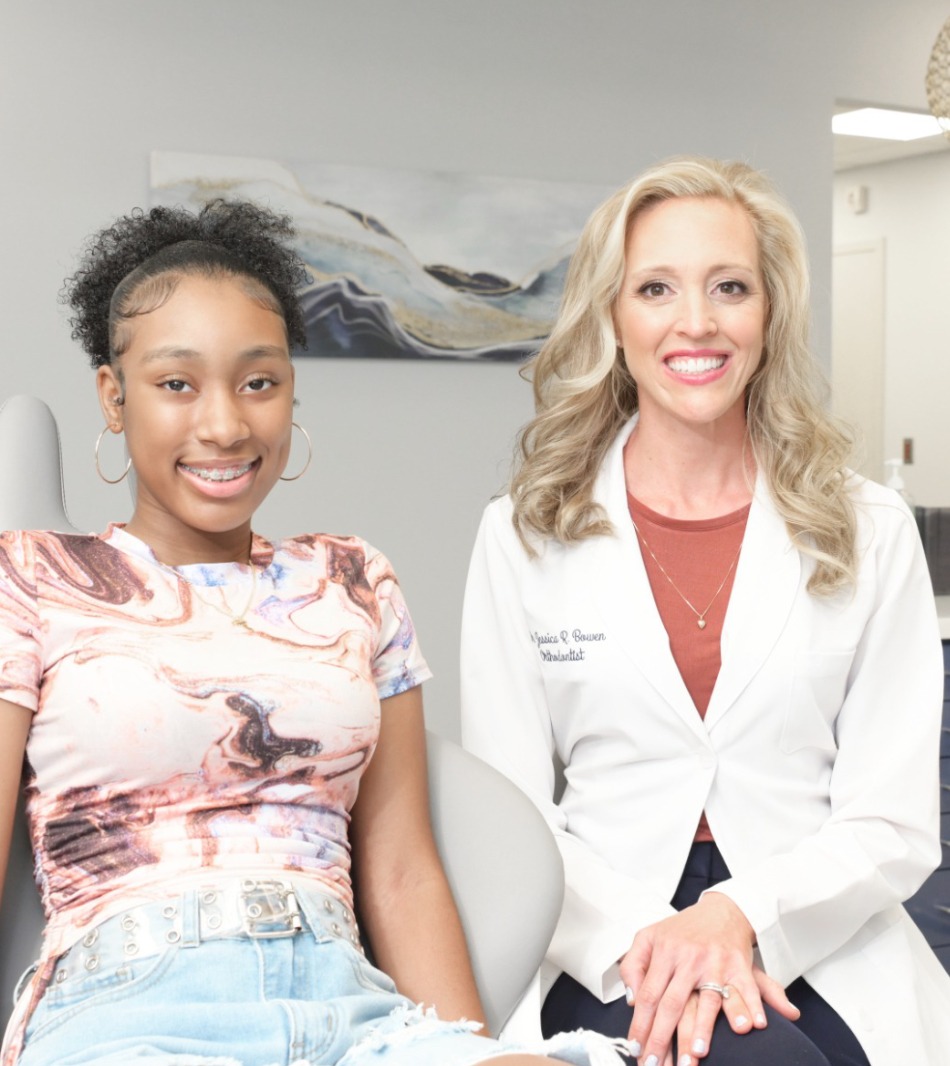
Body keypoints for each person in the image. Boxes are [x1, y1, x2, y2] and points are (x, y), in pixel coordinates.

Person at [0, 200, 630, 1066]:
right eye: (176, 384)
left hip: (349, 1014)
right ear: (114, 397)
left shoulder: (352, 580)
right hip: (128, 1021)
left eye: (259, 381)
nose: (224, 424)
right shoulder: (30, 579)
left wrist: (469, 1055)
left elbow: (403, 872)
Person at [460, 157, 950, 1066]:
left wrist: (736, 915)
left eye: (730, 287)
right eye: (656, 288)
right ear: (613, 314)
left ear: (771, 313)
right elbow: (516, 817)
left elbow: (894, 819)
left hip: (815, 915)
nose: (697, 323)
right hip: (607, 927)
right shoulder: (523, 534)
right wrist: (662, 939)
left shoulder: (869, 528)